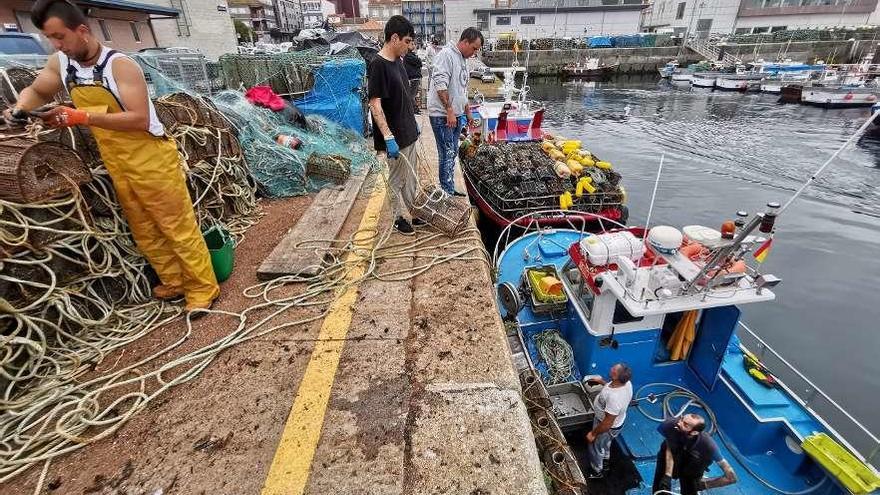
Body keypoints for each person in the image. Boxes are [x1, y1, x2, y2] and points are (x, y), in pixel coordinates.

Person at [6, 0, 219, 314]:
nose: (56, 44)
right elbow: (38, 91)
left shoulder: (119, 65)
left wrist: (80, 118)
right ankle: (174, 281)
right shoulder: (61, 64)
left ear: (82, 30)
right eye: (49, 38)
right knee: (144, 227)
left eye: (60, 36)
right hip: (116, 157)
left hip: (151, 156)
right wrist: (21, 107)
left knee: (176, 226)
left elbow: (139, 118)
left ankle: (202, 289)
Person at [367, 15, 424, 236]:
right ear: (394, 38)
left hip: (408, 131)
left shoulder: (398, 62)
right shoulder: (378, 65)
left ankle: (414, 211)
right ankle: (397, 217)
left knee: (411, 177)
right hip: (396, 137)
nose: (410, 47)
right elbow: (374, 103)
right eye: (407, 41)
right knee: (397, 179)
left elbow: (403, 98)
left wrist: (413, 123)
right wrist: (388, 137)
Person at [427, 27, 483, 196]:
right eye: (474, 48)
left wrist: (467, 111)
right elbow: (440, 83)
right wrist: (449, 110)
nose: (474, 53)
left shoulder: (463, 59)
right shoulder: (446, 55)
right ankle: (446, 192)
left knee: (453, 153)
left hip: (457, 115)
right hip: (443, 116)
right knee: (446, 153)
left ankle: (449, 187)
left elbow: (462, 89)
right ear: (465, 42)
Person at [652, 413, 738, 495]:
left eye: (685, 424)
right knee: (660, 486)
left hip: (694, 464)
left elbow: (731, 478)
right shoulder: (670, 425)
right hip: (675, 453)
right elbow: (669, 447)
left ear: (694, 432)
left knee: (689, 488)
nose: (679, 423)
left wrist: (702, 485)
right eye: (681, 419)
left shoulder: (709, 446)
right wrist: (667, 475)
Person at [584, 363, 634, 478]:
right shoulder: (626, 384)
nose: (611, 369)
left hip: (606, 426)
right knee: (605, 442)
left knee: (595, 446)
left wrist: (593, 433)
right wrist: (602, 382)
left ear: (616, 377)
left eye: (614, 370)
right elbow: (612, 386)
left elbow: (607, 423)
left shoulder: (614, 399)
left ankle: (597, 470)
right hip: (618, 424)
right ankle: (605, 458)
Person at [403, 40, 423, 114]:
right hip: (413, 78)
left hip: (414, 78)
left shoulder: (411, 55)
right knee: (411, 95)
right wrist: (418, 61)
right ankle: (415, 109)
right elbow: (419, 62)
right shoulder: (408, 55)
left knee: (412, 95)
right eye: (412, 44)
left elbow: (419, 63)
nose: (414, 45)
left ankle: (414, 109)